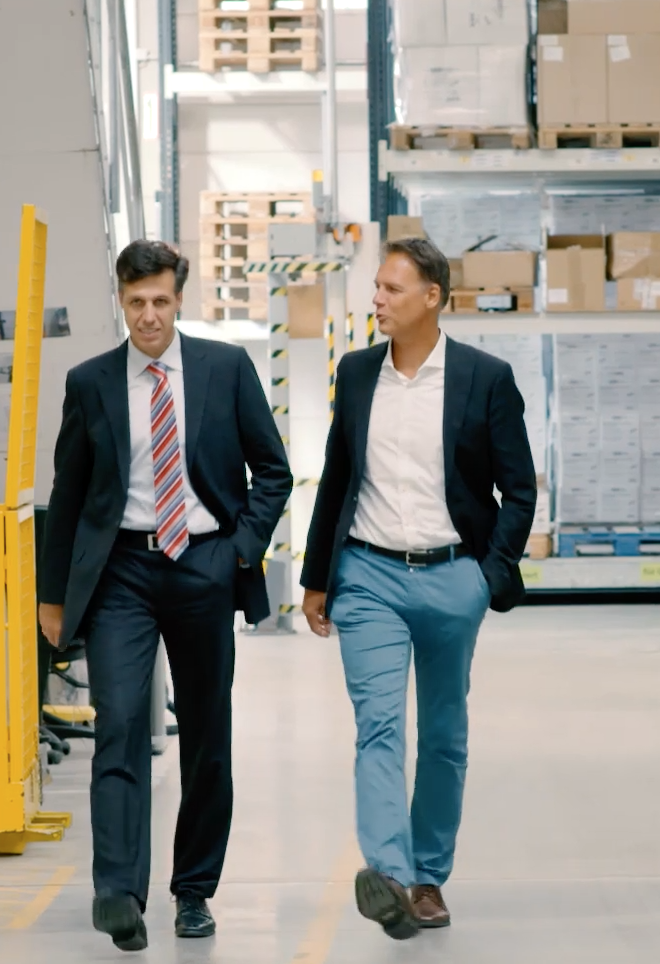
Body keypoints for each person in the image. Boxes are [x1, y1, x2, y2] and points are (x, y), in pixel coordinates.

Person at [38, 240, 291, 952]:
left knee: (208, 735)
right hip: (122, 571)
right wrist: (52, 594)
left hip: (204, 564)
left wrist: (240, 551)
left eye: (160, 301)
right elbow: (69, 492)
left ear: (179, 300)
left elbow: (272, 471)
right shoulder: (91, 382)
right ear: (119, 300)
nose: (148, 316)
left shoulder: (225, 368)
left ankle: (193, 892)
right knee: (117, 723)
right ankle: (117, 890)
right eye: (135, 302)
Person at [300, 238, 538, 940]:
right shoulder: (358, 372)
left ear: (432, 297)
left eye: (391, 289)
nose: (377, 299)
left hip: (451, 577)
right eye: (376, 287)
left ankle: (428, 875)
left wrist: (483, 579)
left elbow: (519, 490)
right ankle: (392, 876)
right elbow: (337, 478)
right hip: (367, 574)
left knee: (442, 735)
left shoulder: (484, 378)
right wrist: (318, 578)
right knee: (377, 724)